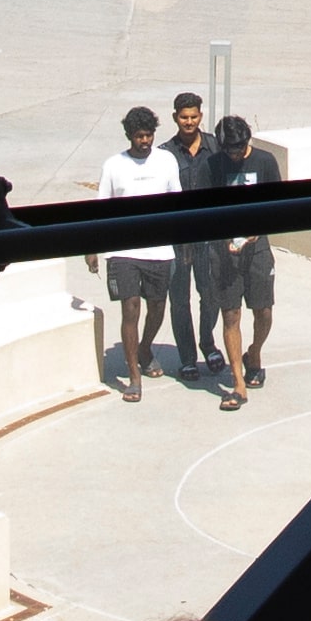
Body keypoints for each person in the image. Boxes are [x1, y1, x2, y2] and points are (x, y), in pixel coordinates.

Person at [94, 106, 180, 402]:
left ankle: (145, 348)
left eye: (148, 135)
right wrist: (92, 247)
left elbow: (177, 203)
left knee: (157, 306)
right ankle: (133, 377)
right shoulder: (113, 165)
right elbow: (100, 210)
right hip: (123, 250)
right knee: (130, 308)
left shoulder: (167, 160)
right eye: (139, 136)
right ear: (129, 135)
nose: (144, 141)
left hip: (159, 249)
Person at [203, 114, 287, 405]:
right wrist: (223, 235)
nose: (235, 154)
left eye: (239, 148)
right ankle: (238, 383)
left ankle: (255, 352)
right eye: (229, 150)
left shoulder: (265, 161)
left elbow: (278, 205)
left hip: (257, 248)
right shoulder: (212, 166)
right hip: (224, 251)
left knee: (263, 310)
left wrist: (256, 231)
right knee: (231, 314)